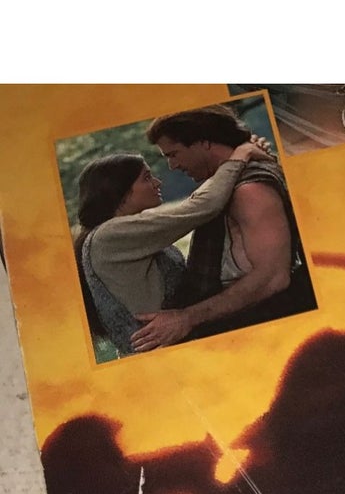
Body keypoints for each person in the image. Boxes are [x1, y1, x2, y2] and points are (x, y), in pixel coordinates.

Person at [130, 106, 316, 351]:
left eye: (174, 154)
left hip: (261, 328)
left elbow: (272, 278)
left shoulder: (249, 190)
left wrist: (186, 318)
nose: (172, 166)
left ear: (204, 142)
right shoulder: (228, 184)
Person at [72, 141, 267, 356]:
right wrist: (241, 154)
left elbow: (195, 204)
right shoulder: (111, 235)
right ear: (120, 191)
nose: (158, 182)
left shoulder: (116, 233)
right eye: (147, 178)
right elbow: (203, 206)